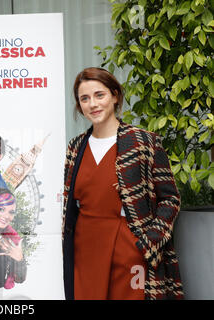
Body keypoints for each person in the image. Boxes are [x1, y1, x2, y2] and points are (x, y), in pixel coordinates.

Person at [62, 67, 183, 300]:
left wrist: (151, 240)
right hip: (85, 247)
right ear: (79, 106)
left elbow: (170, 198)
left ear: (115, 96)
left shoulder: (144, 142)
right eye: (84, 99)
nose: (93, 104)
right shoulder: (75, 147)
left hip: (130, 245)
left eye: (100, 95)